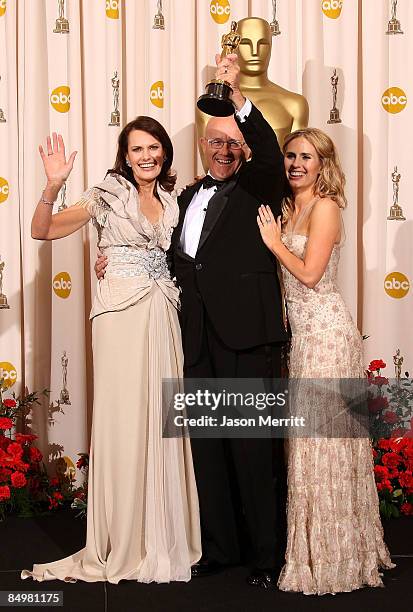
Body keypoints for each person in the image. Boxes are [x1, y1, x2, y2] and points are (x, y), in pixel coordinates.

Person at [96, 53, 289, 588]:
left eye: (232, 142)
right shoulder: (182, 197)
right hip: (195, 338)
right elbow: (162, 253)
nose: (223, 150)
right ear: (202, 147)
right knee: (209, 452)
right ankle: (220, 550)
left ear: (243, 148)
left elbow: (270, 153)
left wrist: (235, 96)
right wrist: (108, 255)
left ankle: (266, 559)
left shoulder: (260, 184)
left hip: (248, 337)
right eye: (214, 141)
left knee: (252, 452)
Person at [21, 117, 201, 583]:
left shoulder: (171, 199)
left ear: (164, 153)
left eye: (154, 147)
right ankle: (122, 537)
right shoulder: (104, 195)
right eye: (137, 148)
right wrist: (53, 185)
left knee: (161, 418)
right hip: (119, 314)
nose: (146, 155)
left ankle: (159, 535)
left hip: (162, 314)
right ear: (125, 155)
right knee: (124, 421)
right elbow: (44, 230)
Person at [257, 127, 394, 594]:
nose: (296, 163)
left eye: (307, 157)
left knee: (327, 448)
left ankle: (338, 558)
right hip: (303, 341)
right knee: (309, 449)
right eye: (291, 155)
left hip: (330, 338)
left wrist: (275, 244)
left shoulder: (326, 207)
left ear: (323, 165)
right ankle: (315, 551)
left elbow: (312, 274)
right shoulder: (285, 207)